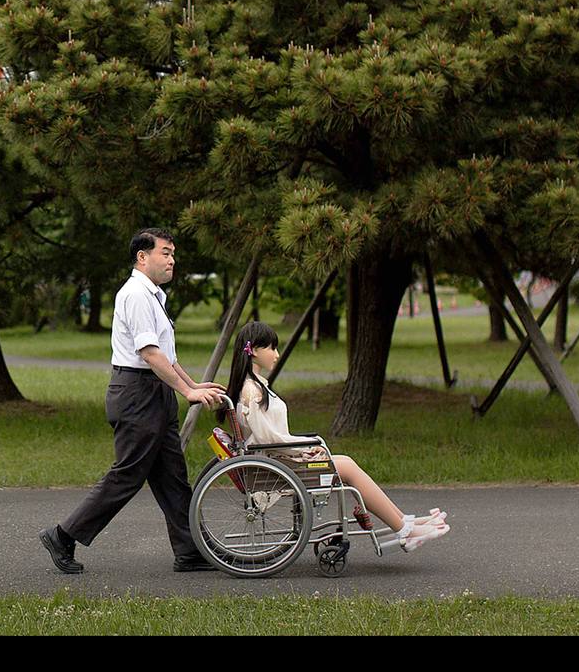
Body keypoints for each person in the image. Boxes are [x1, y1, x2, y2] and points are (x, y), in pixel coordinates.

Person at [39, 229, 228, 573]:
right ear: (143, 257)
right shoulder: (136, 295)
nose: (172, 260)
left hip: (154, 391)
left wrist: (192, 384)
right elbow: (149, 353)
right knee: (127, 474)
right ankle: (62, 535)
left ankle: (190, 552)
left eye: (173, 254)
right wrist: (188, 393)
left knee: (172, 477)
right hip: (137, 394)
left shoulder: (154, 296)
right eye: (166, 253)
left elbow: (166, 357)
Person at [221, 320, 450, 552]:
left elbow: (271, 437)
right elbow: (270, 439)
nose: (277, 355)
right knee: (347, 468)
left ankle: (404, 522)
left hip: (278, 459)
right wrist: (306, 448)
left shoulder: (254, 386)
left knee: (347, 464)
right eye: (272, 348)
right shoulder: (252, 391)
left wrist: (304, 447)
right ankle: (403, 528)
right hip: (278, 463)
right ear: (255, 351)